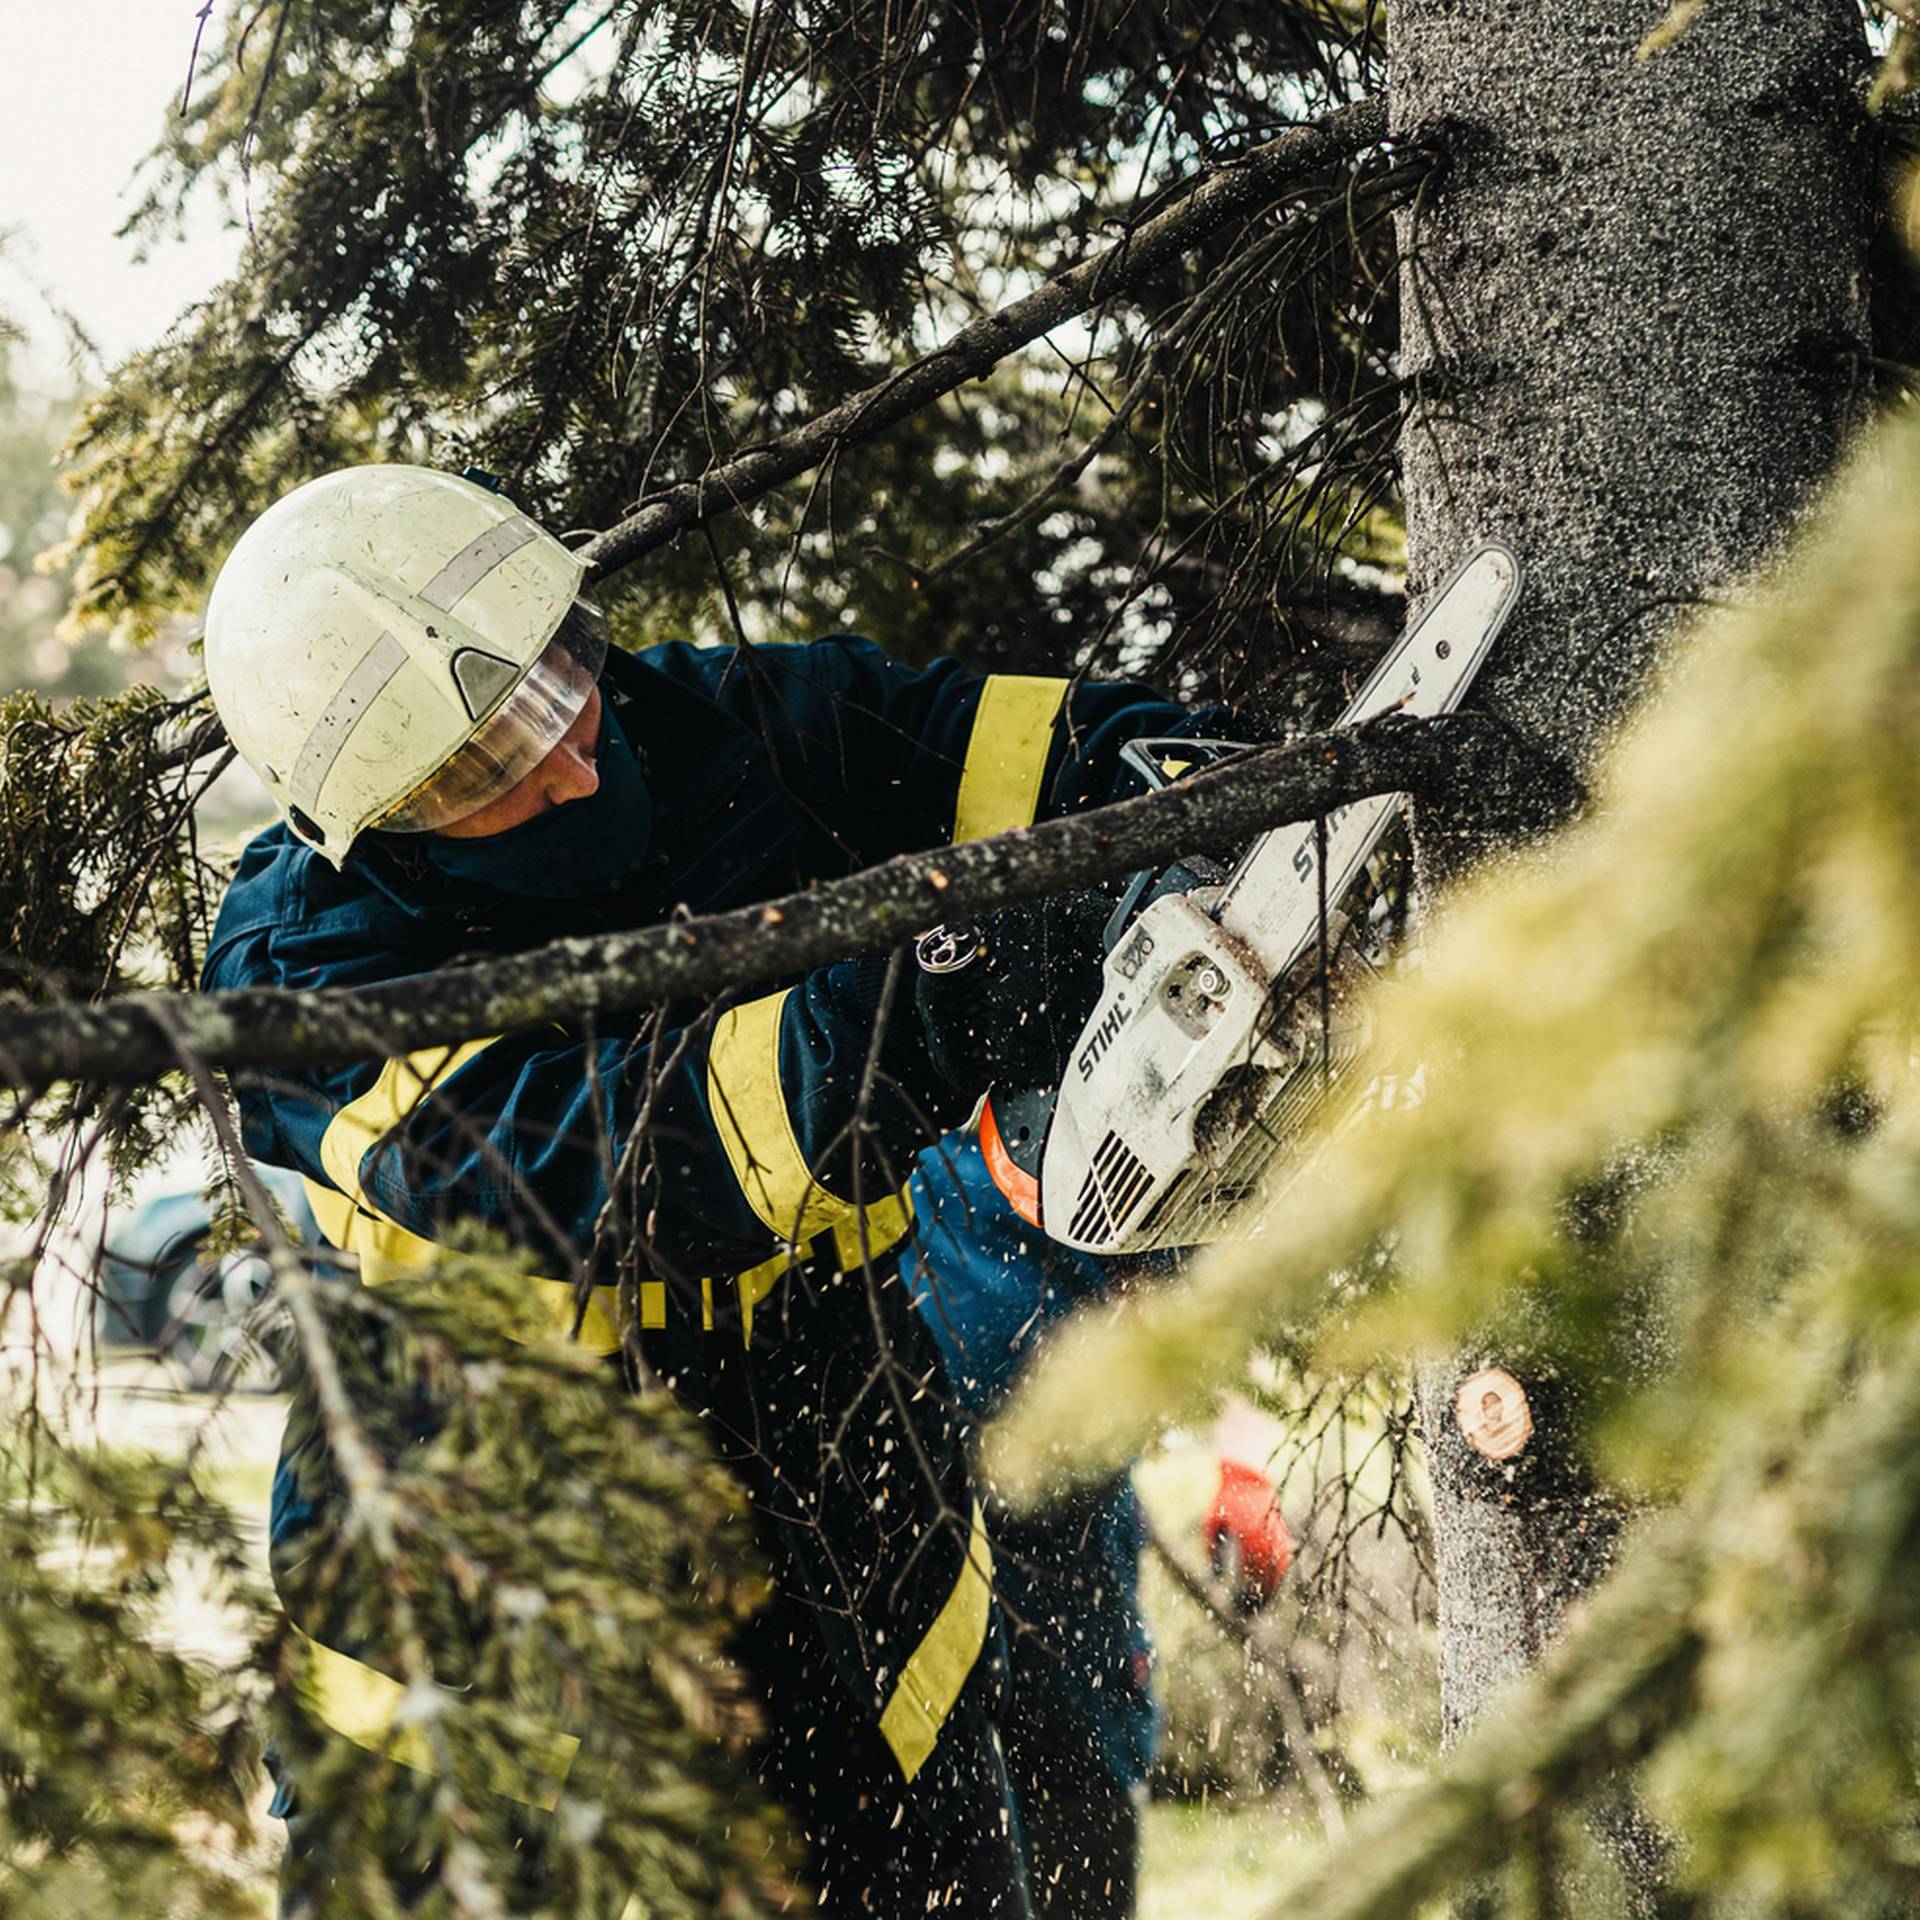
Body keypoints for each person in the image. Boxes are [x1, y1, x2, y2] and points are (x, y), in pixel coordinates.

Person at [198, 464, 1239, 1916]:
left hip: (849, 1482)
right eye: (476, 770)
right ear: (374, 820)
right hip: (492, 1567)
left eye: (557, 685)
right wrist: (925, 998)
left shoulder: (725, 725)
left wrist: (1173, 795)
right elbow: (620, 1173)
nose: (563, 762)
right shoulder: (306, 972)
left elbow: (991, 739)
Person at [906, 1133, 1162, 1919]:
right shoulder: (867, 1072)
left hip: (1066, 1534)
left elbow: (1186, 1270)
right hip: (910, 1520)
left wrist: (1237, 1452)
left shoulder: (1058, 1064)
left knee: (1079, 1797)